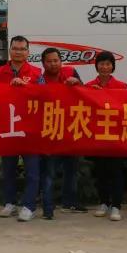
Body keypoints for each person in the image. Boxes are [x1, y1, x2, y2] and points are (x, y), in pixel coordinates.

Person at [0, 36, 42, 222]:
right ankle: (10, 203)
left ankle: (29, 206)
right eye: (15, 48)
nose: (18, 52)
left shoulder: (37, 73)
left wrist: (27, 87)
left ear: (28, 52)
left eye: (22, 49)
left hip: (30, 128)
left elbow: (44, 95)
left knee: (32, 170)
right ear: (10, 50)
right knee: (8, 169)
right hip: (8, 127)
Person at [37, 47, 82, 220]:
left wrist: (77, 83)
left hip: (71, 129)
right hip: (51, 132)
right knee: (49, 172)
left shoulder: (71, 72)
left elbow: (86, 94)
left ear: (61, 61)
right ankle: (48, 208)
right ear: (43, 63)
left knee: (72, 169)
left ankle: (70, 202)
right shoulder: (40, 80)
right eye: (49, 61)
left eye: (56, 60)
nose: (53, 64)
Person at [86, 51, 127, 222]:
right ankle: (103, 202)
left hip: (116, 136)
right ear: (97, 66)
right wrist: (92, 94)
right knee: (101, 171)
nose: (105, 67)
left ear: (113, 66)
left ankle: (116, 205)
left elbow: (126, 109)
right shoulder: (89, 86)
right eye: (102, 64)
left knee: (116, 171)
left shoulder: (122, 86)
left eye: (108, 64)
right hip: (97, 136)